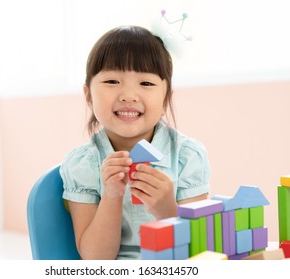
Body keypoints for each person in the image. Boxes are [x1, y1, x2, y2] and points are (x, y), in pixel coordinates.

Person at [60, 25, 211, 260]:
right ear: (88, 95)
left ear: (166, 98)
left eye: (146, 84)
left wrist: (167, 211)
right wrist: (111, 196)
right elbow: (95, 260)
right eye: (112, 81)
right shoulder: (83, 165)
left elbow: (201, 250)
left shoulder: (187, 156)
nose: (129, 95)